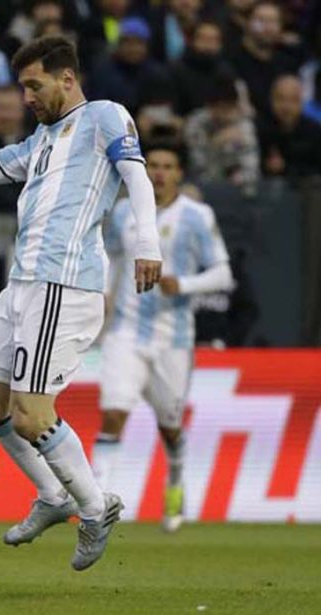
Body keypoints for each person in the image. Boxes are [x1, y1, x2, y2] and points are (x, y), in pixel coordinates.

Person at [0, 35, 162, 571]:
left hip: (62, 283)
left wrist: (147, 246)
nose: (27, 97)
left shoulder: (105, 117)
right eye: (22, 87)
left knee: (30, 414)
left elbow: (136, 176)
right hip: (22, 283)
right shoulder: (41, 140)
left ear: (67, 78)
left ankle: (94, 509)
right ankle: (53, 495)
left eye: (34, 85)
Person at [93, 142, 234, 533]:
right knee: (113, 413)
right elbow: (111, 259)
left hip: (173, 340)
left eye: (167, 166)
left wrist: (184, 283)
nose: (158, 172)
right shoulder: (124, 213)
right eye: (151, 165)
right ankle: (95, 505)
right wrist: (101, 297)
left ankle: (174, 480)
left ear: (178, 173)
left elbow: (223, 273)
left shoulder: (197, 216)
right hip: (125, 332)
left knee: (170, 425)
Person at [257, 74, 321, 178]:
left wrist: (286, 168)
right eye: (280, 99)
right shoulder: (260, 129)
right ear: (271, 100)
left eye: (293, 100)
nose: (286, 106)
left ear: (302, 102)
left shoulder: (314, 131)